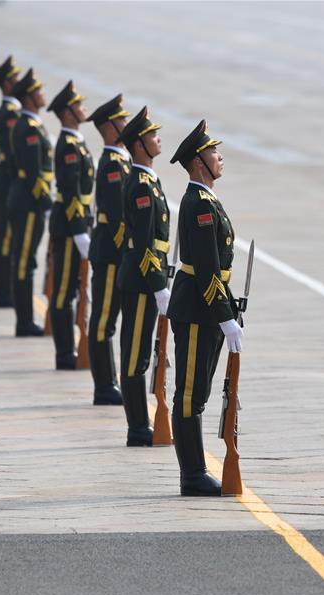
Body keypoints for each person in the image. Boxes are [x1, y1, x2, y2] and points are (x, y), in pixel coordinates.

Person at [167, 119, 243, 496]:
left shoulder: (206, 200)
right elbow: (208, 269)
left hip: (205, 307)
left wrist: (229, 310)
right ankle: (192, 475)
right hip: (198, 310)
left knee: (198, 394)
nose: (220, 157)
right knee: (188, 394)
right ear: (199, 162)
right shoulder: (197, 203)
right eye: (214, 151)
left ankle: (195, 471)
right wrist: (225, 316)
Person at [116, 106, 169, 446]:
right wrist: (158, 284)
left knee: (143, 354)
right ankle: (137, 427)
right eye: (151, 135)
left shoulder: (148, 180)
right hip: (140, 280)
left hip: (145, 276)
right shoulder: (139, 185)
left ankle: (140, 424)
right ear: (138, 145)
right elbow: (145, 244)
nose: (157, 138)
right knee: (135, 354)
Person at [85, 93, 130, 405]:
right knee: (103, 319)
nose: (127, 125)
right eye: (123, 121)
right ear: (111, 127)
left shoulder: (121, 161)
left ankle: (109, 381)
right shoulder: (113, 165)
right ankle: (103, 386)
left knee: (109, 319)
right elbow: (117, 218)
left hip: (115, 251)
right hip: (111, 253)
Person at [46, 80, 93, 369]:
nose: (83, 108)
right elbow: (71, 189)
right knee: (63, 291)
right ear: (67, 113)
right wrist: (78, 228)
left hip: (76, 223)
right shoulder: (68, 145)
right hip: (68, 227)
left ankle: (69, 349)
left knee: (72, 289)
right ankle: (64, 353)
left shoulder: (76, 141)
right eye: (77, 106)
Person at [7, 68, 52, 337]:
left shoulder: (30, 124)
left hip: (27, 200)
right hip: (28, 202)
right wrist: (46, 201)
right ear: (28, 96)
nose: (42, 94)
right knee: (24, 261)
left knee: (26, 260)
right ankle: (24, 321)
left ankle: (24, 319)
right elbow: (34, 173)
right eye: (39, 91)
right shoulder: (27, 127)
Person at [0, 55, 22, 307]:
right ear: (8, 84)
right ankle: (4, 292)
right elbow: (14, 154)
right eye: (16, 79)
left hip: (9, 177)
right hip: (10, 179)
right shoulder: (11, 114)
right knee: (6, 237)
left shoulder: (12, 111)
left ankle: (6, 290)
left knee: (8, 236)